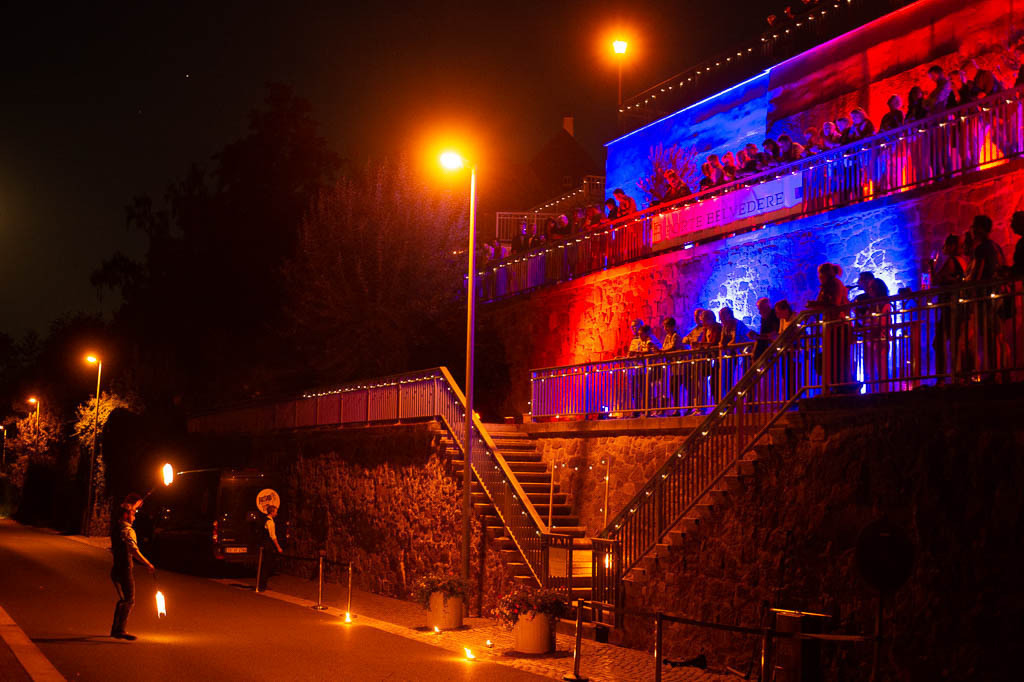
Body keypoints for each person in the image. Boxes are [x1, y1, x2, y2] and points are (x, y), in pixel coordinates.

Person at [110, 495, 155, 641]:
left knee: (123, 599)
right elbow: (134, 551)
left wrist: (135, 504)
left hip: (115, 569)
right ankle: (120, 630)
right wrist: (147, 563)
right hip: (125, 570)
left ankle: (116, 629)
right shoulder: (128, 531)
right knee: (129, 599)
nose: (134, 518)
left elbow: (125, 509)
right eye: (133, 514)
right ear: (125, 515)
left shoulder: (116, 528)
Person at [808, 263, 854, 392]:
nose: (819, 277)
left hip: (839, 325)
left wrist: (816, 304)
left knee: (839, 357)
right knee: (832, 357)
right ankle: (834, 386)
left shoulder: (835, 285)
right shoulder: (826, 287)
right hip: (832, 325)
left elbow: (834, 303)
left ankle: (842, 386)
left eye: (820, 274)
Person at [932, 234, 965, 382]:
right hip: (957, 304)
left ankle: (943, 377)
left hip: (949, 305)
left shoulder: (952, 261)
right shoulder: (963, 262)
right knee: (955, 340)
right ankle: (957, 375)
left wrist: (931, 266)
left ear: (951, 246)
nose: (943, 248)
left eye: (945, 245)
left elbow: (936, 280)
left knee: (939, 341)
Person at [257, 504, 284, 592]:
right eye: (276, 512)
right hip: (268, 545)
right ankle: (262, 586)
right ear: (272, 512)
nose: (276, 514)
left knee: (264, 565)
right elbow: (273, 536)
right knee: (266, 566)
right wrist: (278, 547)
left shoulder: (264, 519)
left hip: (263, 544)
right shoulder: (270, 522)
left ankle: (262, 584)